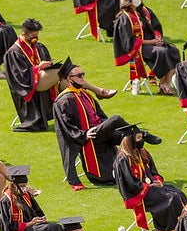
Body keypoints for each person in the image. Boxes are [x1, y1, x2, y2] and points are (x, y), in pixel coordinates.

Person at [53, 60, 160, 190]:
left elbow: (101, 117)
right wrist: (84, 134)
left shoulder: (85, 94)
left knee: (134, 140)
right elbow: (65, 127)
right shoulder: (63, 100)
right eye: (79, 76)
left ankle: (152, 175)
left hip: (102, 132)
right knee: (116, 119)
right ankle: (141, 132)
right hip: (90, 136)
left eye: (83, 74)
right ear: (69, 79)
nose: (83, 78)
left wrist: (109, 129)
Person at [113, 124, 187, 231]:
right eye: (138, 138)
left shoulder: (142, 152)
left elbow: (153, 171)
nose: (141, 141)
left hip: (151, 188)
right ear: (130, 140)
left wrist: (157, 180)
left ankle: (183, 230)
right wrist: (148, 186)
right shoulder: (123, 159)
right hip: (139, 194)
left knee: (177, 193)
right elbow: (129, 184)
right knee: (170, 199)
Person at [113, 0, 180, 95]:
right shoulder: (125, 17)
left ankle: (166, 83)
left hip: (153, 43)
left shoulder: (145, 11)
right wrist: (151, 42)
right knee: (162, 52)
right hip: (140, 47)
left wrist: (157, 38)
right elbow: (129, 41)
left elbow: (157, 26)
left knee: (173, 50)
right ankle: (164, 84)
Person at [3, 18, 58, 133]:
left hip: (41, 80)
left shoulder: (38, 46)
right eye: (33, 35)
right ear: (24, 34)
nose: (36, 38)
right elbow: (20, 77)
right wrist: (38, 68)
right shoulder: (14, 52)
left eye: (37, 35)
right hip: (30, 85)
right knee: (64, 72)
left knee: (70, 76)